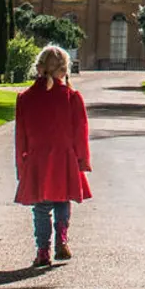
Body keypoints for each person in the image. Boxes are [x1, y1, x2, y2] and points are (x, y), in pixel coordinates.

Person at [15, 44, 91, 267]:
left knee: (40, 207)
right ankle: (62, 238)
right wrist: (82, 160)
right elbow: (81, 131)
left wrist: (22, 164)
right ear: (64, 69)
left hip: (37, 159)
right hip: (64, 157)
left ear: (39, 68)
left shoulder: (25, 98)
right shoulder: (72, 97)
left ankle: (42, 250)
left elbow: (21, 135)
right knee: (62, 201)